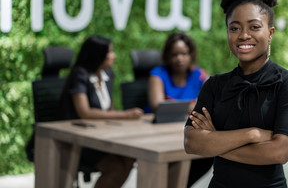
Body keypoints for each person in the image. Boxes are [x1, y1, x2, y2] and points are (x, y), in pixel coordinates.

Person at [184, 0, 288, 188]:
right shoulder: (214, 85)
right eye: (234, 28)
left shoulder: (287, 84)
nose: (244, 35)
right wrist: (253, 134)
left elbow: (280, 152)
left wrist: (215, 141)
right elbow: (192, 143)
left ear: (270, 33)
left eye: (254, 27)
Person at [59, 35, 143, 188]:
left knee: (129, 158)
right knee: (116, 168)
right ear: (97, 55)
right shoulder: (80, 74)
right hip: (81, 141)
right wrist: (125, 115)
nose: (113, 55)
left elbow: (108, 109)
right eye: (110, 52)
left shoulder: (108, 74)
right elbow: (85, 112)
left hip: (103, 136)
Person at [148, 32, 214, 187]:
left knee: (206, 154)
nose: (179, 58)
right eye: (174, 54)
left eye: (184, 54)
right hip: (159, 133)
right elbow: (157, 105)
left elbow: (213, 100)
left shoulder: (199, 74)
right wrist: (194, 105)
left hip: (186, 132)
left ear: (191, 54)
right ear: (167, 56)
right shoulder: (158, 74)